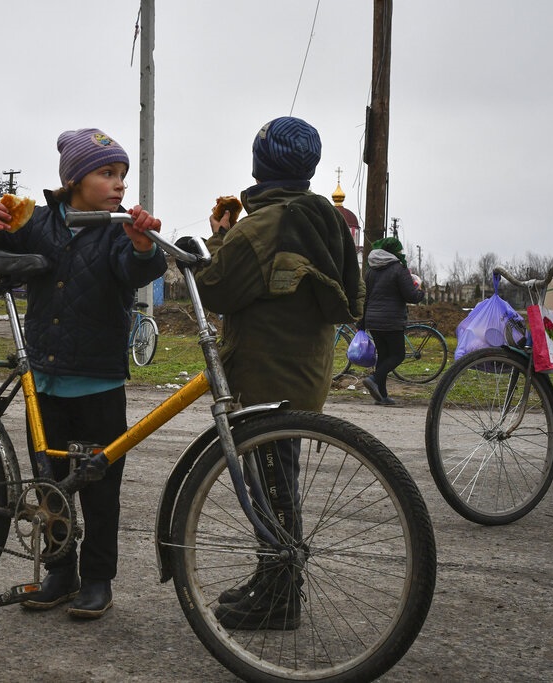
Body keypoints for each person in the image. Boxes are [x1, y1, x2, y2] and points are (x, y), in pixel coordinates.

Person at [0, 128, 167, 620]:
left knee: (102, 489)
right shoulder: (38, 222)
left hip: (99, 381)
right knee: (50, 483)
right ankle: (61, 572)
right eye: (108, 173)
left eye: (122, 174)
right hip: (46, 377)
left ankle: (98, 579)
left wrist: (144, 246)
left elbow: (135, 269)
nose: (119, 183)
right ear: (75, 178)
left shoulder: (117, 228)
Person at [193, 116, 364, 629]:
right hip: (304, 370)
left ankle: (281, 596)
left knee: (271, 488)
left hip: (265, 376)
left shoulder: (263, 226)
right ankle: (270, 577)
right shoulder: (325, 219)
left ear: (259, 162)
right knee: (277, 482)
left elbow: (216, 288)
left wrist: (220, 236)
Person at [359, 237, 425, 405]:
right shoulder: (398, 268)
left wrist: (363, 320)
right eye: (399, 250)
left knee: (383, 356)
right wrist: (420, 292)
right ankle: (374, 379)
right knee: (397, 355)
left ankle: (382, 396)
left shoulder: (371, 269)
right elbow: (410, 295)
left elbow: (365, 297)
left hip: (373, 320)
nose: (401, 253)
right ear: (394, 251)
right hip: (391, 319)